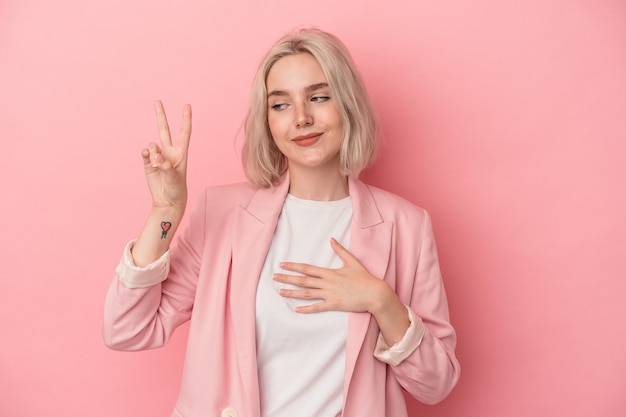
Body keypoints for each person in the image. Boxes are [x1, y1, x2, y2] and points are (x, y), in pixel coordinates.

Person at [103, 28, 460, 417]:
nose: (302, 119)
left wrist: (381, 300)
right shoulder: (221, 213)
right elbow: (127, 330)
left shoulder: (406, 226)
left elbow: (436, 385)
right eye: (280, 105)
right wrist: (165, 213)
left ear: (349, 105)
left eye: (319, 97)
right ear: (268, 122)